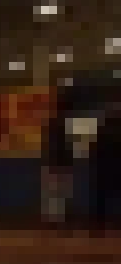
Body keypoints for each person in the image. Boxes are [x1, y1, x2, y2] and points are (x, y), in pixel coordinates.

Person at [41, 98, 74, 231]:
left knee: (55, 193)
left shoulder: (54, 124)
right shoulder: (65, 126)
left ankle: (55, 219)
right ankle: (57, 219)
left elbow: (49, 146)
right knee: (59, 193)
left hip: (56, 163)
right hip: (59, 163)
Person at [88, 101, 121, 236]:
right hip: (110, 167)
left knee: (102, 196)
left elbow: (95, 149)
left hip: (104, 167)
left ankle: (99, 222)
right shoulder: (109, 130)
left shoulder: (103, 129)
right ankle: (103, 221)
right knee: (108, 195)